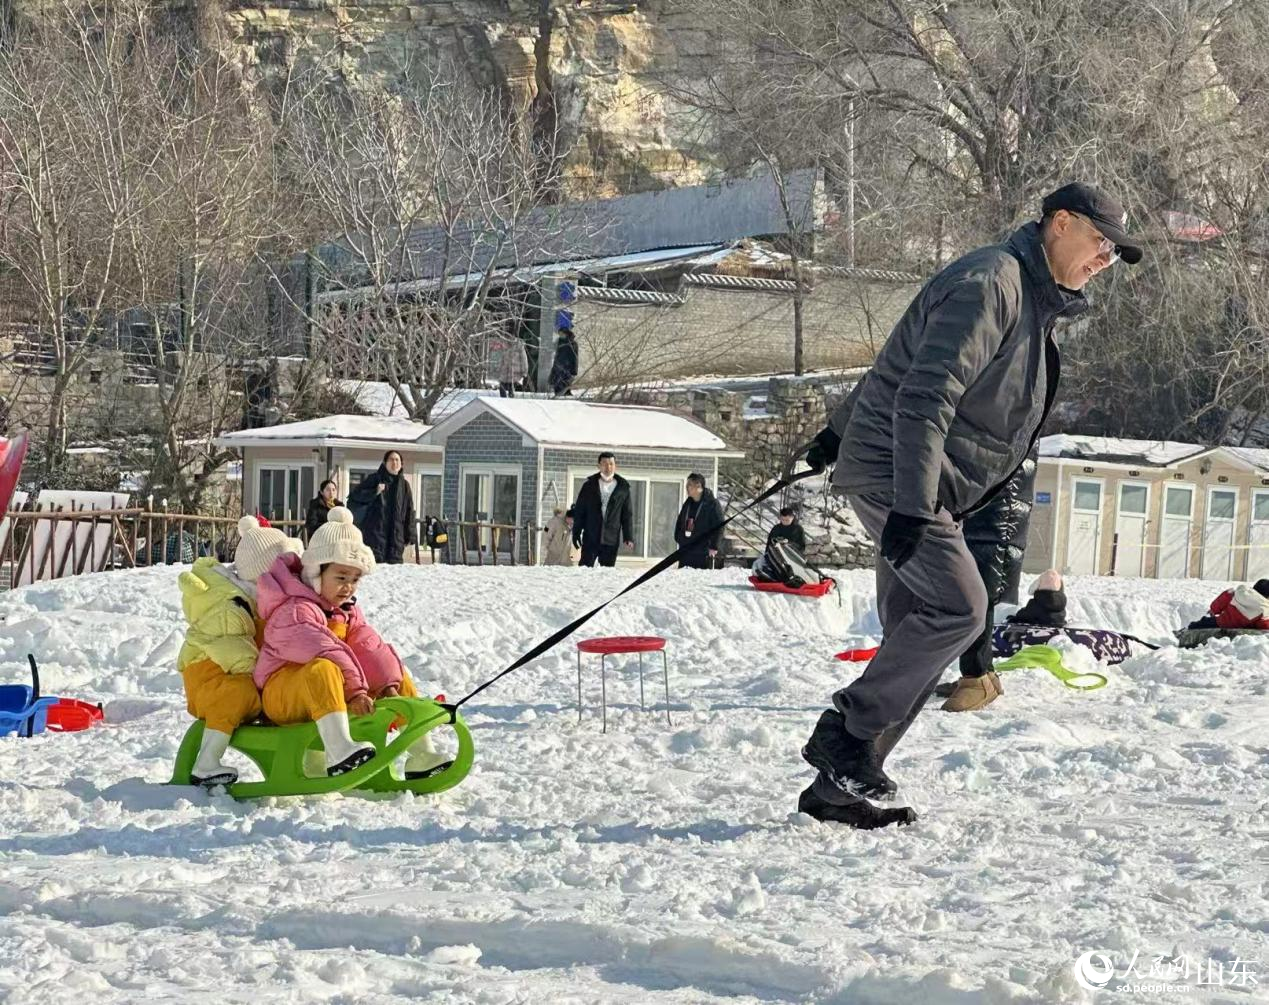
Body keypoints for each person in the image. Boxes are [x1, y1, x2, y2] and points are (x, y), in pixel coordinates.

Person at [797, 181, 1141, 828]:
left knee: (916, 635)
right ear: (1059, 223)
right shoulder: (993, 282)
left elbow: (901, 361)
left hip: (921, 482)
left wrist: (837, 431)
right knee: (959, 607)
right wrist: (909, 503)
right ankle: (845, 734)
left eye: (1114, 254)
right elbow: (925, 392)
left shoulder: (1029, 300)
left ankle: (836, 790)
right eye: (1100, 242)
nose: (1104, 260)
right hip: (902, 477)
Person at [253, 507, 448, 778]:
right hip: (282, 695)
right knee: (323, 668)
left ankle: (422, 754)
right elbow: (326, 649)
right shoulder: (295, 610)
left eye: (355, 580)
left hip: (327, 692)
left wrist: (388, 688)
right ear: (316, 573)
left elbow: (367, 649)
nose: (348, 587)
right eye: (341, 578)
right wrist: (356, 691)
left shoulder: (345, 610)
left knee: (395, 674)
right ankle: (339, 750)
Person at [177, 515, 303, 786]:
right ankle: (207, 762)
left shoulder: (256, 602)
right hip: (210, 677)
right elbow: (233, 650)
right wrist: (262, 679)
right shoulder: (231, 607)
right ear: (265, 575)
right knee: (238, 695)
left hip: (232, 673)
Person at [941, 449, 1037, 712]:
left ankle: (977, 678)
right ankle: (982, 672)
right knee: (975, 586)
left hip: (994, 496)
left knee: (975, 586)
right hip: (992, 490)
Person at [348, 450, 417, 564]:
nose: (394, 462)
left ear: (401, 464)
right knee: (375, 569)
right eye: (391, 459)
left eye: (397, 460)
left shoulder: (404, 485)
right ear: (385, 463)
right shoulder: (374, 479)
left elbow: (409, 510)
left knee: (393, 574)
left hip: (396, 537)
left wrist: (410, 535)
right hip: (375, 534)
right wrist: (375, 491)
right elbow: (355, 497)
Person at [571, 451, 634, 567]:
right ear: (598, 466)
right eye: (604, 463)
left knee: (607, 573)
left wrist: (628, 536)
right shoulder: (589, 486)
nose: (608, 467)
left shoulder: (623, 487)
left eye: (611, 464)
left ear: (615, 466)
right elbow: (580, 511)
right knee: (585, 569)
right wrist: (576, 532)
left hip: (611, 538)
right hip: (591, 536)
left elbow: (627, 515)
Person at [674, 473, 724, 569]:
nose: (687, 487)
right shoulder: (688, 503)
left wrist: (714, 546)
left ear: (699, 486)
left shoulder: (711, 504)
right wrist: (679, 538)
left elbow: (719, 526)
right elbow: (680, 522)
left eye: (689, 485)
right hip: (686, 552)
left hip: (703, 554)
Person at [1185, 579, 1269, 631]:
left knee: (1204, 622)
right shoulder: (1264, 607)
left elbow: (1226, 596)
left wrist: (1214, 609)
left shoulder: (1241, 592)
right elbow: (1263, 625)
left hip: (1221, 621)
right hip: (1240, 627)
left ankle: (1188, 629)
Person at [550, 327, 579, 397]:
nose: (560, 335)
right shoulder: (558, 342)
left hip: (567, 367)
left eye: (561, 334)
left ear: (566, 334)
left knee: (566, 382)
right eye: (559, 334)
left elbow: (575, 357)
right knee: (556, 382)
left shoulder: (573, 343)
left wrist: (574, 369)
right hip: (558, 365)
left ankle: (566, 393)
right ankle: (557, 394)